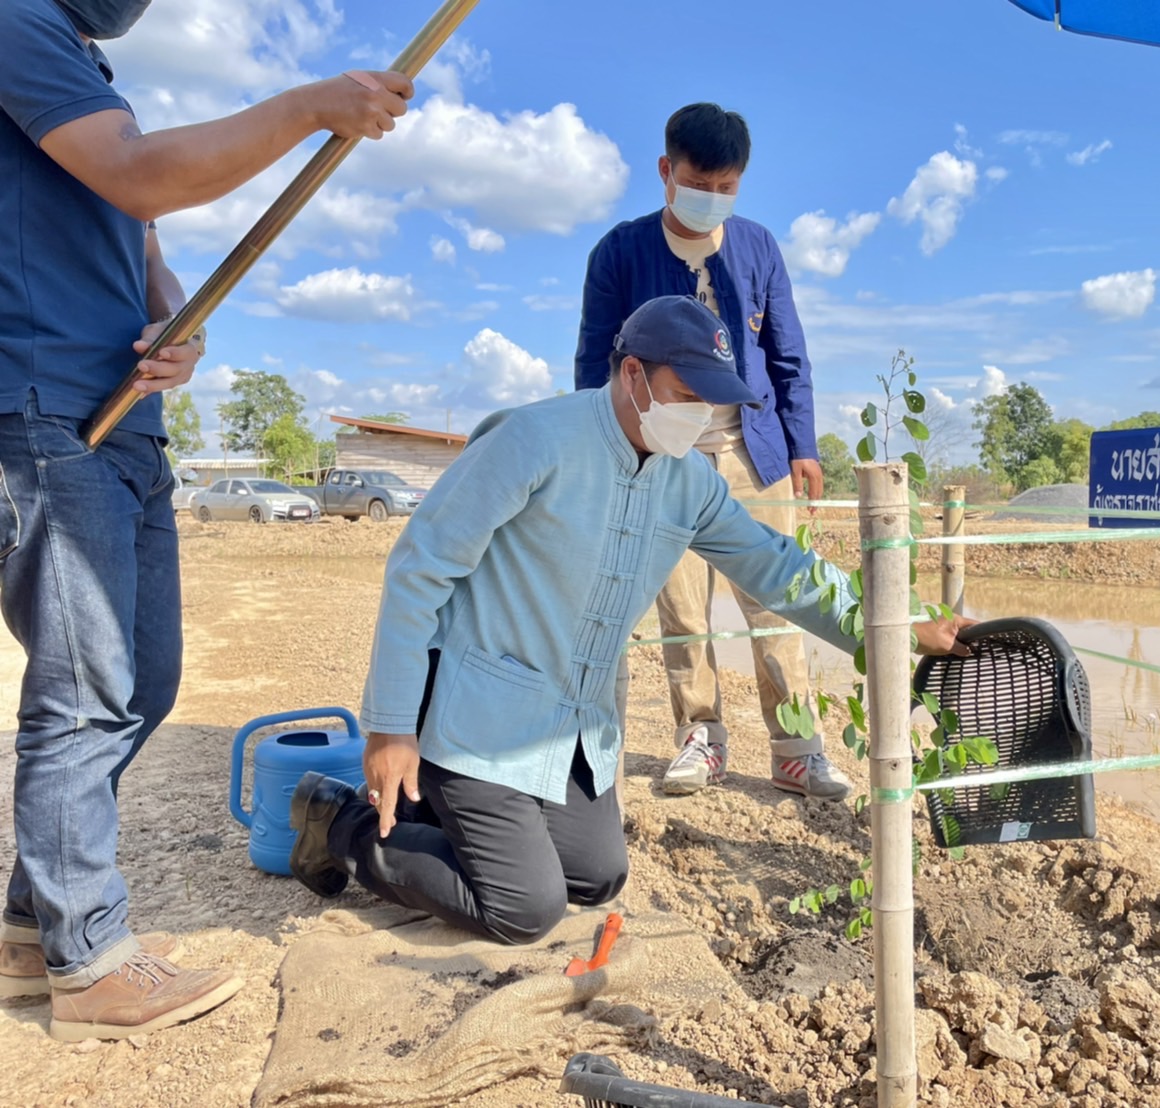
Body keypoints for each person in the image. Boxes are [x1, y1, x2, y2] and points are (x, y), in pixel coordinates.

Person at [288, 296, 972, 944]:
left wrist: (900, 622)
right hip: (476, 714)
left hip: (565, 723)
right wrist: (391, 727)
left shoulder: (689, 483)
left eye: (709, 401)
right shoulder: (533, 439)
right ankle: (338, 821)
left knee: (597, 876)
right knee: (525, 907)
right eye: (685, 394)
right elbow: (420, 570)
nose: (698, 415)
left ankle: (430, 814)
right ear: (633, 373)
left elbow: (780, 569)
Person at [0, 0, 414, 1041]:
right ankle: (90, 962)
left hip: (124, 418)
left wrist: (173, 326)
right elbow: (140, 174)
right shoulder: (14, 23)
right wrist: (309, 105)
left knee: (145, 678)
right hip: (46, 408)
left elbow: (145, 247)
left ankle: (29, 928)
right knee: (86, 689)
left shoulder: (89, 73)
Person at [574, 103, 846, 802]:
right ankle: (701, 736)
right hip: (663, 455)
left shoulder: (758, 247)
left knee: (778, 600)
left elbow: (788, 354)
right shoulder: (619, 252)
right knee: (682, 612)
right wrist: (605, 451)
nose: (713, 198)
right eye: (699, 184)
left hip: (755, 454)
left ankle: (798, 748)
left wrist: (803, 444)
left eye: (727, 187)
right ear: (666, 171)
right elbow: (594, 361)